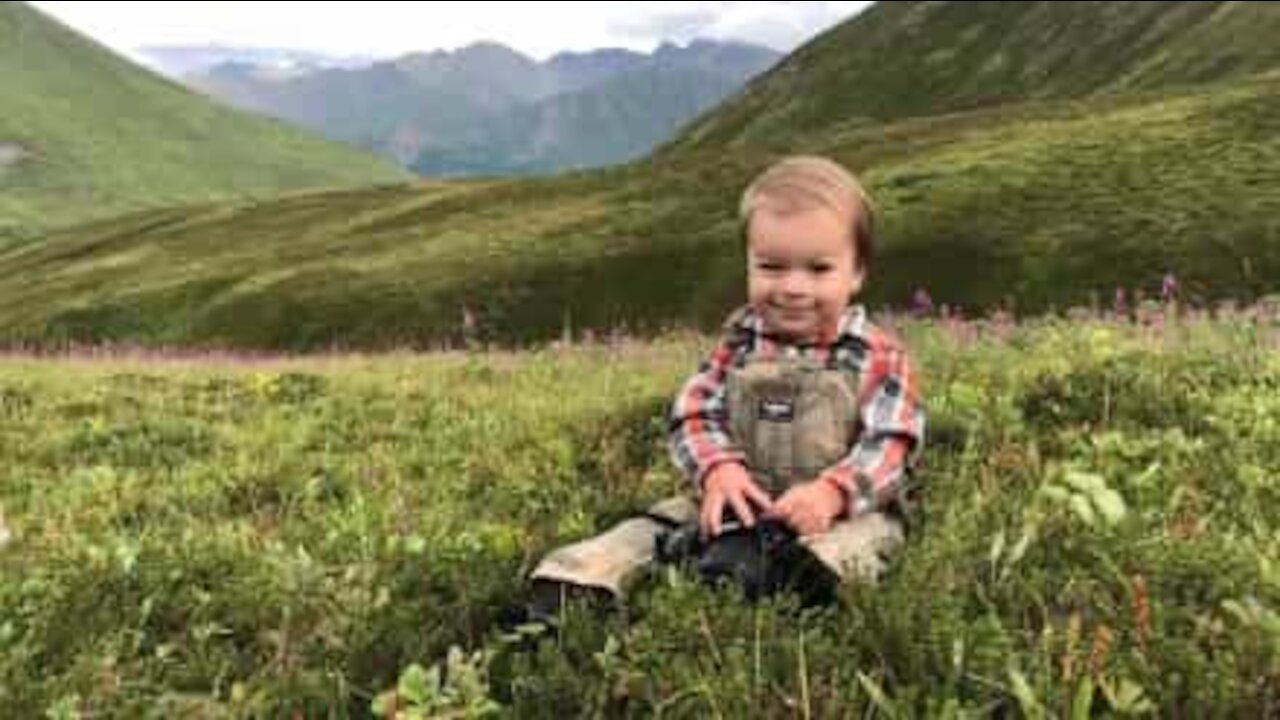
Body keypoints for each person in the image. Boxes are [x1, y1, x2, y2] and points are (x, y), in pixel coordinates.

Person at [527, 156, 926, 613]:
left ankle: (783, 579)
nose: (793, 287)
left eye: (818, 269)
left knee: (856, 545)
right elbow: (693, 412)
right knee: (658, 523)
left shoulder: (878, 355)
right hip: (739, 495)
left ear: (856, 273)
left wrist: (832, 492)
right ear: (748, 266)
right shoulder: (737, 346)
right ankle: (576, 584)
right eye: (772, 267)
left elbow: (892, 444)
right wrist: (718, 469)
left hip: (842, 510)